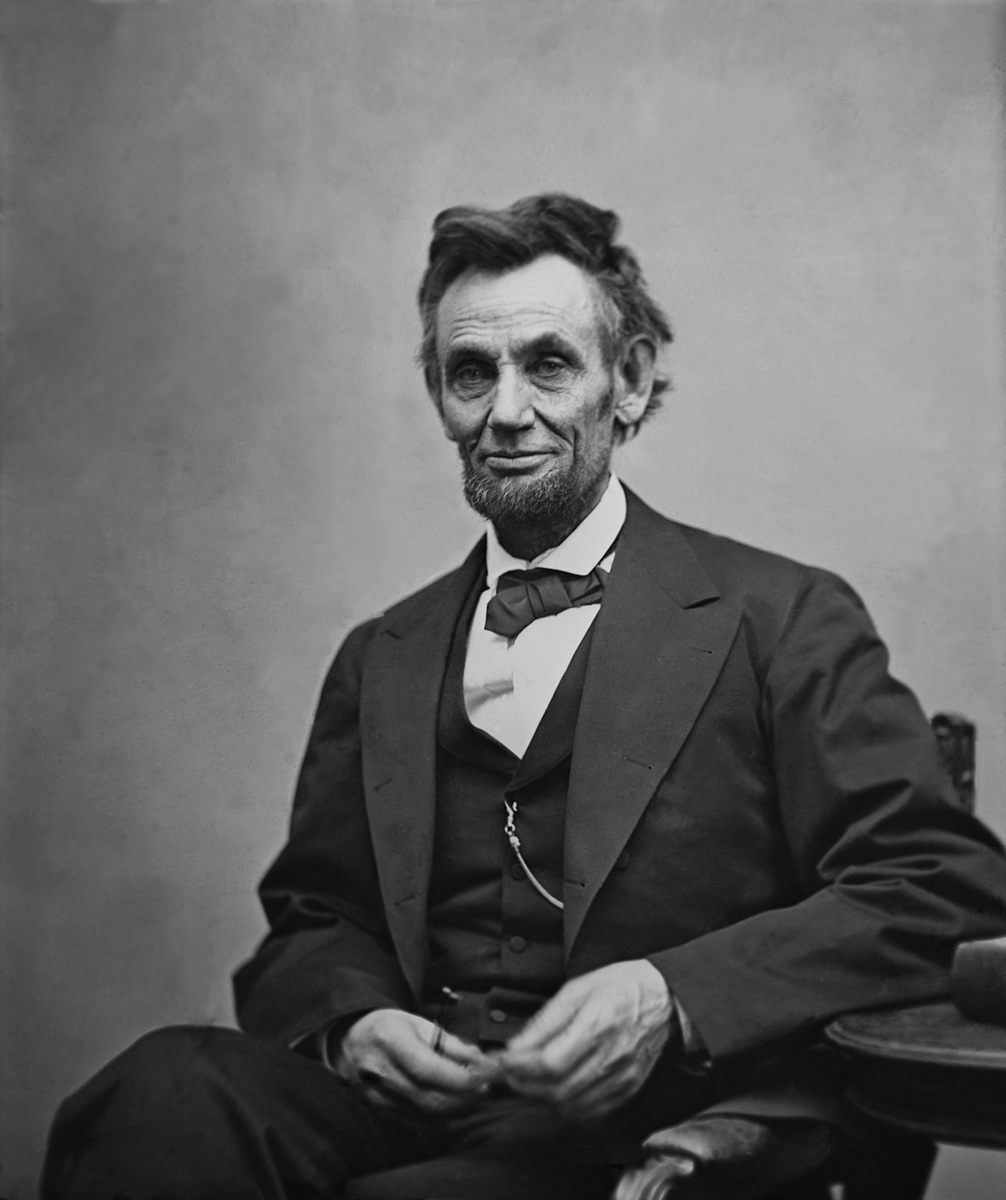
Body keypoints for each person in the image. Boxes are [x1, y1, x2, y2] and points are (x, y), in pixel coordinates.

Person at [42, 194, 1006, 1200]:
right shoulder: (385, 652)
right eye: (471, 373)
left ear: (626, 384)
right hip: (410, 1118)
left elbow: (941, 889)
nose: (506, 413)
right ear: (439, 399)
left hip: (641, 1134)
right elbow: (317, 912)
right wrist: (353, 1023)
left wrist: (673, 996)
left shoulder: (782, 618)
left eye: (548, 363)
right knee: (165, 1088)